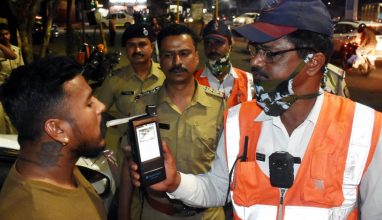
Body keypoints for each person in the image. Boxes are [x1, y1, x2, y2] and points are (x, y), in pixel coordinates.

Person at [129, 0, 382, 219]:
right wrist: (176, 183)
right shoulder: (237, 120)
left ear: (313, 62)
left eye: (271, 53)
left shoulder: (364, 129)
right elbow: (217, 189)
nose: (255, 61)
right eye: (255, 50)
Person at [121, 24, 226, 220]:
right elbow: (129, 165)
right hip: (157, 213)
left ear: (196, 57)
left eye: (184, 53)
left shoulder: (219, 107)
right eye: (168, 55)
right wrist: (123, 213)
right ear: (159, 60)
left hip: (207, 214)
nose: (177, 62)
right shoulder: (141, 106)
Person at [0, 56, 107, 219]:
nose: (101, 106)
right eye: (89, 103)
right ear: (57, 129)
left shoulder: (59, 168)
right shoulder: (37, 212)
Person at [95, 23, 165, 166]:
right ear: (126, 49)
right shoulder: (115, 79)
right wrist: (121, 123)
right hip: (128, 151)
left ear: (151, 47)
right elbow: (97, 111)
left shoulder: (166, 75)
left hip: (164, 147)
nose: (137, 49)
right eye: (131, 45)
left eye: (142, 44)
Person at [195, 19, 253, 108]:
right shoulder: (192, 81)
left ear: (230, 45)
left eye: (219, 43)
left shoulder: (249, 81)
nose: (213, 49)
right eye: (208, 43)